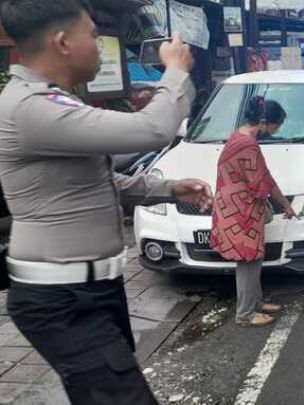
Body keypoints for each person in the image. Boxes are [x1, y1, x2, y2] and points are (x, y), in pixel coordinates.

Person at [0, 1, 210, 404]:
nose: (99, 46)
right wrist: (177, 70)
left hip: (88, 289)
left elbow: (95, 180)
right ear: (63, 42)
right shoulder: (31, 107)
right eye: (93, 36)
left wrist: (168, 188)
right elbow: (152, 128)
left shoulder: (51, 102)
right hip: (62, 300)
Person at [209, 97, 296, 327]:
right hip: (241, 211)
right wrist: (285, 205)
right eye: (276, 127)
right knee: (248, 260)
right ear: (264, 122)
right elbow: (262, 182)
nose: (276, 132)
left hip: (235, 207)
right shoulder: (248, 145)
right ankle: (245, 314)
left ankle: (256, 303)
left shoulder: (239, 136)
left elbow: (261, 176)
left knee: (254, 257)